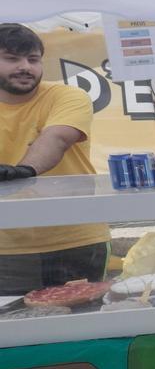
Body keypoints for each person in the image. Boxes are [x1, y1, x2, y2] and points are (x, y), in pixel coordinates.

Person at [0, 23, 110, 295]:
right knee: (15, 332)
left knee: (86, 328)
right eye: (11, 59)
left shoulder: (68, 95)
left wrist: (24, 170)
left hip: (75, 239)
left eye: (33, 59)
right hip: (6, 246)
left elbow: (58, 137)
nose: (25, 66)